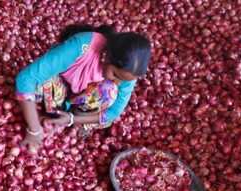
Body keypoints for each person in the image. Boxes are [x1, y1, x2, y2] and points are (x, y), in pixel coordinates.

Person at [15, 24, 151, 153]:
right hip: (57, 89)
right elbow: (25, 79)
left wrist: (72, 119)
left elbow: (114, 112)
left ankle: (71, 118)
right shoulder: (82, 46)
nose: (118, 81)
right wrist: (34, 130)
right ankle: (48, 115)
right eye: (115, 74)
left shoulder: (128, 73)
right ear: (108, 56)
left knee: (110, 92)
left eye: (124, 80)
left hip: (80, 102)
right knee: (42, 81)